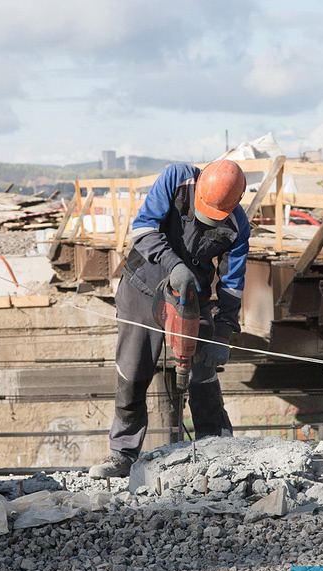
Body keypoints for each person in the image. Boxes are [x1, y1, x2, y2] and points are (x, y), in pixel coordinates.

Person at [89, 160, 250, 479]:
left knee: (203, 375)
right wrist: (174, 265)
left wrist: (222, 334)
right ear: (200, 184)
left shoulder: (237, 225)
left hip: (192, 298)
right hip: (142, 287)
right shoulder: (176, 178)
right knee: (133, 372)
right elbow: (144, 228)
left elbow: (232, 284)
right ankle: (122, 454)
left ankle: (216, 448)